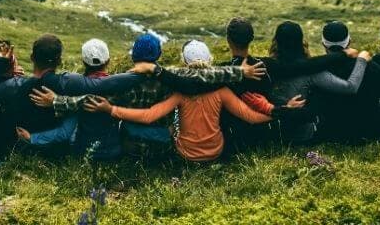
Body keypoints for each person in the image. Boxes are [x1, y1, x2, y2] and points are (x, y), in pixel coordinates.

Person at [27, 33, 267, 159]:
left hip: (130, 146)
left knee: (121, 121)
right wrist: (240, 72)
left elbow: (92, 102)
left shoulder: (124, 83)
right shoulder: (170, 77)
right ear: (159, 55)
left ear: (134, 57)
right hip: (163, 144)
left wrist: (57, 101)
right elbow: (202, 75)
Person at [84, 40, 304, 162]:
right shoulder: (220, 90)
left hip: (186, 154)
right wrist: (282, 109)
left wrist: (111, 109)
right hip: (216, 151)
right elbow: (250, 116)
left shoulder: (179, 91)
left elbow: (150, 115)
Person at [219, 17, 358, 151]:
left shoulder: (261, 66)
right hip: (295, 132)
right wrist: (343, 55)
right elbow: (306, 66)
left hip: (242, 137)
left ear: (228, 40)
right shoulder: (266, 67)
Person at [266, 21, 371, 145]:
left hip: (271, 132)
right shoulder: (313, 72)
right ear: (301, 42)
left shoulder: (266, 67)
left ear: (276, 42)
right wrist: (361, 61)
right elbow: (350, 87)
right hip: (302, 136)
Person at [16, 38, 121, 160]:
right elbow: (66, 132)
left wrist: (33, 138)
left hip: (78, 153)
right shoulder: (118, 88)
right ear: (108, 61)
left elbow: (66, 132)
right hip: (111, 152)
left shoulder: (19, 86)